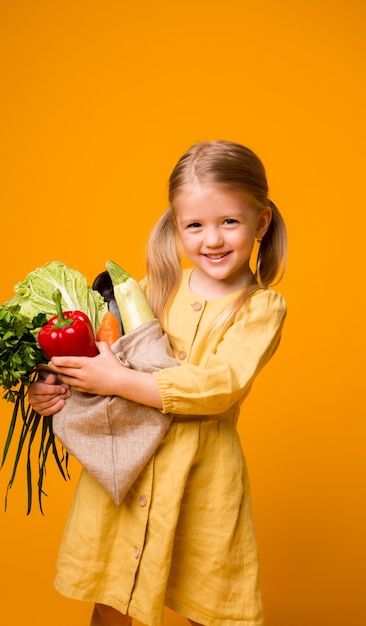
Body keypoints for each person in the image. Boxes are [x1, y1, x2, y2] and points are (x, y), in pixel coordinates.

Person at [29, 140, 287, 626]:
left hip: (204, 477)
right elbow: (97, 358)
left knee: (207, 600)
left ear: (261, 222)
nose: (212, 239)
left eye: (229, 221)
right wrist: (54, 389)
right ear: (176, 226)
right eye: (195, 225)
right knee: (112, 597)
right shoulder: (148, 292)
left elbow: (218, 385)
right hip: (129, 467)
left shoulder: (260, 309)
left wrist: (119, 379)